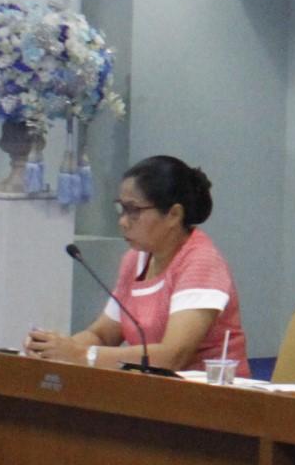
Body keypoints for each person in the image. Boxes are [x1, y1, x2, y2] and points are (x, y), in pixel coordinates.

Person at [25, 155, 245, 372]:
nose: (122, 221)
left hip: (208, 391)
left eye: (134, 211)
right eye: (122, 209)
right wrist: (54, 348)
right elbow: (102, 335)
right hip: (151, 389)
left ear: (173, 215)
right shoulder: (135, 259)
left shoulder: (201, 262)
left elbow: (172, 356)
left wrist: (82, 355)